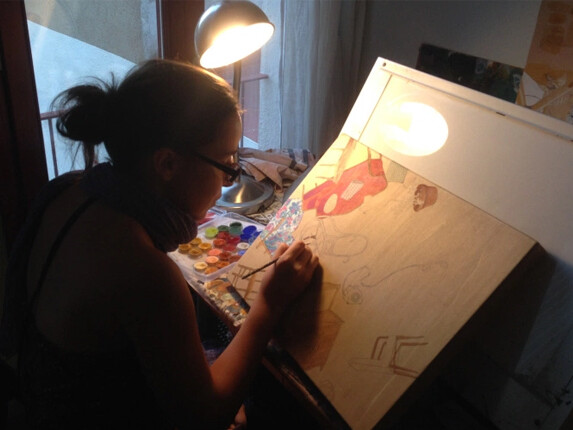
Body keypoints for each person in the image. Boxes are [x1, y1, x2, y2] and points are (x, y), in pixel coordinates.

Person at [0, 59, 321, 429]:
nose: (230, 180)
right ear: (167, 164)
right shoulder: (143, 269)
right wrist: (269, 304)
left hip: (43, 389)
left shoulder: (72, 188)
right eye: (226, 163)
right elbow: (206, 417)